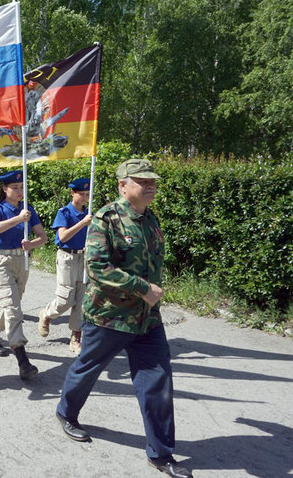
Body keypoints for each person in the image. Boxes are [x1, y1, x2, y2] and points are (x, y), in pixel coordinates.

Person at [55, 159, 192, 478]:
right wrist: (142, 288)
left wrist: (149, 296)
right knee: (88, 368)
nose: (150, 186)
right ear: (123, 185)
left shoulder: (150, 218)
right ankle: (66, 413)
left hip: (147, 320)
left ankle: (161, 454)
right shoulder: (106, 218)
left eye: (152, 181)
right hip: (109, 317)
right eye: (142, 181)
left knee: (158, 382)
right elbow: (97, 268)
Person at [0, 170, 47, 379]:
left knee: (10, 303)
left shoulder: (28, 209)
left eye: (22, 188)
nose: (20, 191)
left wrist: (32, 244)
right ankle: (23, 360)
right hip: (2, 261)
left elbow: (43, 237)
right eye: (15, 188)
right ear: (5, 189)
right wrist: (17, 219)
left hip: (23, 260)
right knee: (12, 308)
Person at [38, 178, 93, 354]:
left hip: (83, 257)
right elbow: (62, 237)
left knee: (82, 299)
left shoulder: (90, 213)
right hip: (67, 257)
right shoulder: (65, 213)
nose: (84, 198)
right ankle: (46, 314)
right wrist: (82, 223)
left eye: (87, 194)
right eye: (81, 194)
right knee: (66, 299)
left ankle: (76, 336)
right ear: (72, 193)